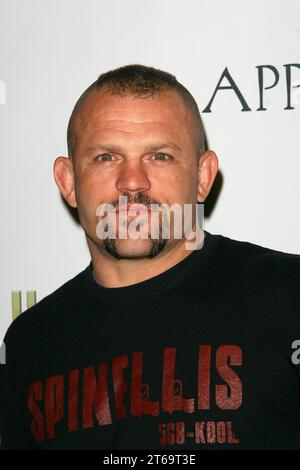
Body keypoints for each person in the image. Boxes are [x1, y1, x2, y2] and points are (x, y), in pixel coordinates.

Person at [0, 64, 300, 451]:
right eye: (107, 157)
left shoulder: (289, 298)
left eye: (159, 156)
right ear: (69, 182)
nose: (132, 181)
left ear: (203, 176)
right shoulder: (29, 343)